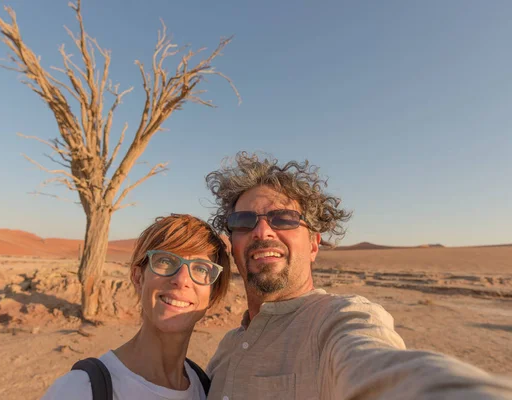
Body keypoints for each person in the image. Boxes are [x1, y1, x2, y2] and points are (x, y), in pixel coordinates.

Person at [204, 152, 512, 400]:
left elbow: (376, 365)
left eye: (283, 218)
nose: (262, 230)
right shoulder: (226, 350)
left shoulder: (338, 321)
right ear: (233, 244)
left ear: (314, 244)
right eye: (243, 221)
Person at [42, 214, 231, 400]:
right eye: (165, 261)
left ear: (213, 293)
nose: (181, 280)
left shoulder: (205, 388)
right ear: (138, 277)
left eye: (201, 269)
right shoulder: (79, 391)